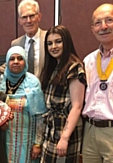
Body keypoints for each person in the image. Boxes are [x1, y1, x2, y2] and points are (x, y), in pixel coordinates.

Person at [39, 25, 86, 163]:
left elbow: (77, 106)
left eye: (58, 41)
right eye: (49, 43)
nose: (54, 46)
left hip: (66, 129)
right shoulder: (54, 67)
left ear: (67, 42)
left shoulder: (74, 67)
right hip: (52, 128)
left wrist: (64, 138)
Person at [0, 46, 47, 163]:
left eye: (20, 58)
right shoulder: (0, 81)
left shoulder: (33, 82)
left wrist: (37, 143)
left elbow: (40, 116)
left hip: (27, 139)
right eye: (12, 59)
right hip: (4, 139)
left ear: (25, 61)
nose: (16, 62)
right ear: (7, 61)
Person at [82, 4, 113, 163]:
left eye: (109, 20)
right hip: (90, 130)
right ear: (93, 28)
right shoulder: (88, 61)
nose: (104, 27)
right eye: (98, 23)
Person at [0, 0, 47, 78]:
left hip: (45, 89)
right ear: (20, 21)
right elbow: (8, 66)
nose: (28, 21)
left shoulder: (49, 39)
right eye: (24, 17)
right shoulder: (16, 44)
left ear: (39, 17)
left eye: (32, 16)